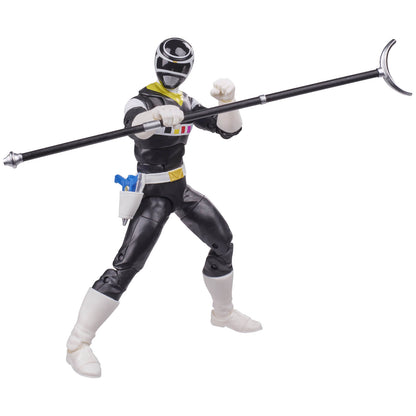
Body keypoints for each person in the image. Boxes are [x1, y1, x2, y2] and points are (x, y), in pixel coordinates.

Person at [66, 37, 262, 378]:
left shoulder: (185, 101)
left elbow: (228, 130)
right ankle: (77, 343)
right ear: (157, 64)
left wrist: (228, 102)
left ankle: (223, 313)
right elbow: (135, 127)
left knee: (222, 241)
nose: (173, 74)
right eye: (168, 67)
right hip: (153, 194)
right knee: (126, 266)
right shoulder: (141, 99)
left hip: (180, 189)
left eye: (179, 69)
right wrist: (154, 115)